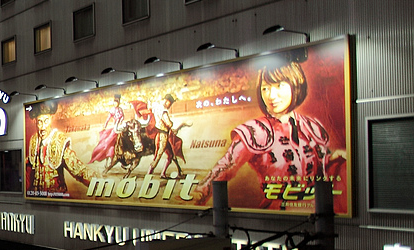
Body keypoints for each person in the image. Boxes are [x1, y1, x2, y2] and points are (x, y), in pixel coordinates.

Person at [196, 51, 346, 210]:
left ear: (296, 83)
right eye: (265, 88)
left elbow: (320, 163)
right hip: (278, 212)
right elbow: (225, 167)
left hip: (317, 213)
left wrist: (335, 158)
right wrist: (200, 193)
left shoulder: (311, 126)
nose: (271, 95)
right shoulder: (256, 131)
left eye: (279, 85)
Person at [25, 100, 93, 198]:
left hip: (56, 197)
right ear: (35, 122)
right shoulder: (34, 140)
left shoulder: (59, 140)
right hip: (37, 197)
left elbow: (77, 168)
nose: (43, 127)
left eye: (46, 121)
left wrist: (96, 182)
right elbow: (29, 169)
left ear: (51, 119)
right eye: (39, 122)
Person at [148, 93, 190, 178]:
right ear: (167, 102)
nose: (169, 106)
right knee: (158, 156)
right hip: (162, 136)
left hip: (162, 135)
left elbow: (150, 107)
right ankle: (148, 176)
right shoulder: (163, 111)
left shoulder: (156, 107)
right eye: (170, 103)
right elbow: (169, 123)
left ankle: (164, 173)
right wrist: (172, 125)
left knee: (171, 155)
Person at [89, 93, 126, 164]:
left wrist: (120, 122)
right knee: (108, 141)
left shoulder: (120, 109)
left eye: (117, 102)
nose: (115, 103)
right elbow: (108, 118)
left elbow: (122, 117)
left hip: (119, 125)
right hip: (115, 126)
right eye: (115, 102)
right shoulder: (112, 110)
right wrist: (105, 126)